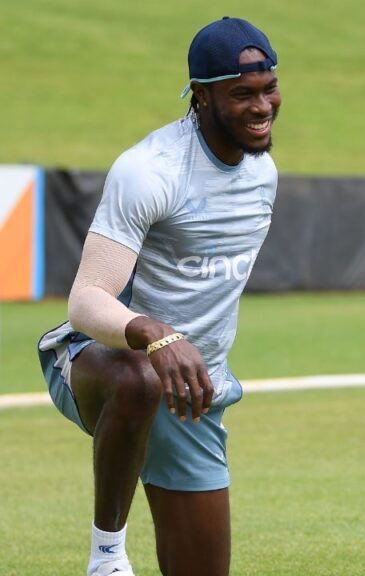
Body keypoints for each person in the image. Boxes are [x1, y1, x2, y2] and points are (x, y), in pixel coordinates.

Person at [37, 16, 282, 576]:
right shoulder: (149, 171)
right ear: (201, 96)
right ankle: (106, 558)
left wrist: (193, 360)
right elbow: (86, 301)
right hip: (99, 361)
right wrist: (155, 332)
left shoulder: (263, 174)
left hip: (195, 390)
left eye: (268, 88)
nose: (262, 105)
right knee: (138, 377)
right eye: (241, 94)